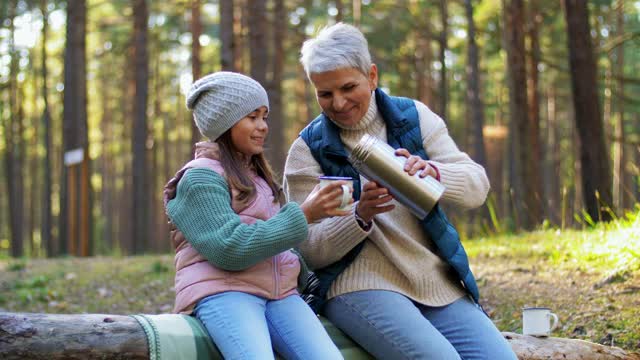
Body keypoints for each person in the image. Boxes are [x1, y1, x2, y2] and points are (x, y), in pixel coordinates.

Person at [283, 23, 517, 360]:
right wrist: (359, 216)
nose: (339, 103)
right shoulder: (309, 150)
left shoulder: (414, 119)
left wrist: (435, 173)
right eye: (325, 94)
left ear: (372, 76)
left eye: (349, 87)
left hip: (433, 280)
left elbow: (476, 187)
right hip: (357, 285)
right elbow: (308, 250)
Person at [163, 71, 346, 360]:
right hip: (225, 291)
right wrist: (304, 215)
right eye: (252, 117)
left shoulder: (258, 178)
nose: (263, 127)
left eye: (264, 116)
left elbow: (274, 239)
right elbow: (229, 248)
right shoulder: (199, 180)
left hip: (280, 294)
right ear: (224, 122)